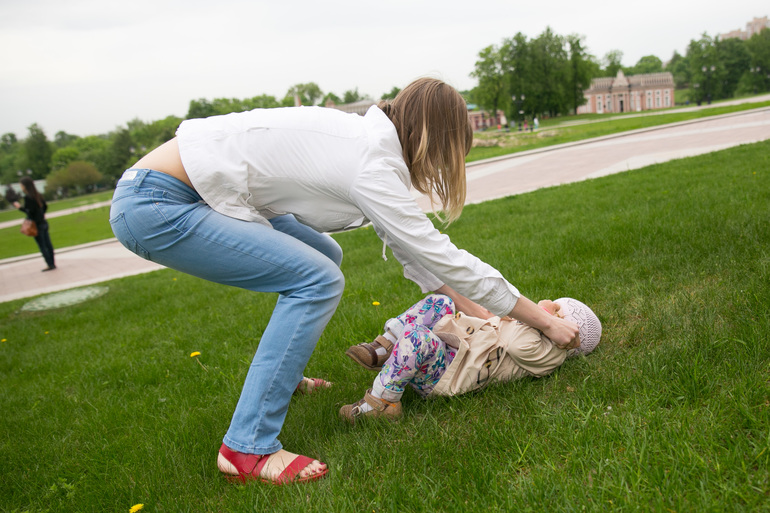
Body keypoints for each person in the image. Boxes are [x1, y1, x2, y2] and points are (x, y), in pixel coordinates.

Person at [109, 77, 580, 485]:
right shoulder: (370, 162)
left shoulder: (367, 140)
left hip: (190, 192)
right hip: (157, 204)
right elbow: (441, 255)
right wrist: (543, 321)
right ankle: (246, 448)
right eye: (447, 156)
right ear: (433, 139)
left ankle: (279, 378)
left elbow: (412, 251)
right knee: (318, 280)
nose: (440, 168)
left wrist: (484, 314)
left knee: (324, 255)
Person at [340, 293, 601, 422]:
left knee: (417, 338)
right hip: (454, 351)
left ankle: (383, 403)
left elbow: (517, 345)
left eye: (556, 311)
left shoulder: (551, 355)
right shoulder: (538, 334)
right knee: (440, 302)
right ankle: (384, 347)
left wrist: (541, 314)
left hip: (446, 376)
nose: (545, 310)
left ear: (568, 336)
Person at [14, 177, 55, 271]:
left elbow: (30, 212)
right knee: (48, 244)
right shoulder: (38, 195)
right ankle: (52, 263)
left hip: (36, 225)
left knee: (42, 245)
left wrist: (20, 208)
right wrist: (41, 214)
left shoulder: (28, 198)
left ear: (25, 186)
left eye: (21, 185)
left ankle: (50, 264)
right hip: (43, 222)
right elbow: (45, 206)